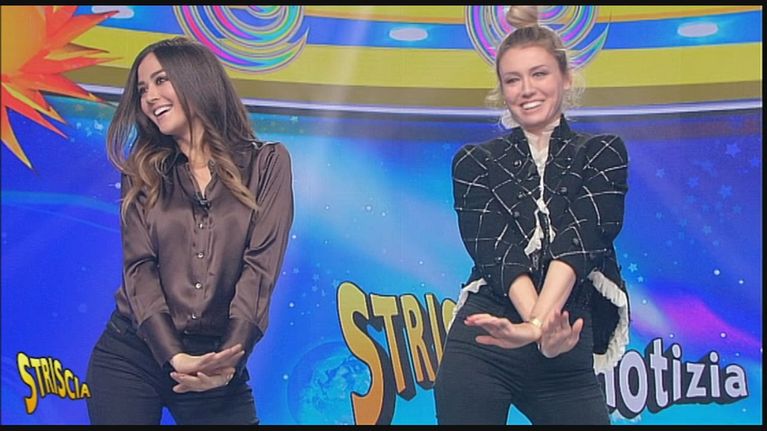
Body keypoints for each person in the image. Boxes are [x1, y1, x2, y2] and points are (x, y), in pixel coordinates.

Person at [434, 6, 630, 425]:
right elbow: (497, 252)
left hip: (565, 336)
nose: (526, 89)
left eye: (539, 74)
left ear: (565, 77)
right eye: (513, 79)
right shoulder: (475, 161)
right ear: (502, 89)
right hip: (487, 335)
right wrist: (531, 326)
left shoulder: (603, 153)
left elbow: (580, 241)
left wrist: (540, 327)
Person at [86, 37, 294, 425]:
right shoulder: (142, 171)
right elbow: (139, 269)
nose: (150, 97)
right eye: (142, 89)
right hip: (130, 355)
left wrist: (227, 361)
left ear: (196, 79)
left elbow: (260, 270)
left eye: (161, 80)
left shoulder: (267, 164)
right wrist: (174, 357)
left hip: (216, 361)